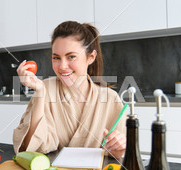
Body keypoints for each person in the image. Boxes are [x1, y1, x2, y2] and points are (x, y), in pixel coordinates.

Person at [13, 21, 127, 158]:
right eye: (56, 58)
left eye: (71, 57)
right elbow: (30, 148)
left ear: (91, 57)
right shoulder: (45, 89)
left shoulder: (111, 98)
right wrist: (40, 93)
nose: (62, 66)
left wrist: (119, 146)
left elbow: (118, 153)